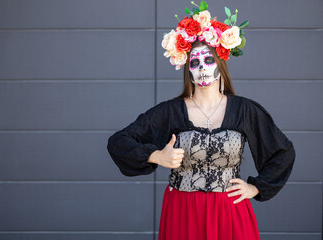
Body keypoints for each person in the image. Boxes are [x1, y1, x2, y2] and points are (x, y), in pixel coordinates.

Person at [107, 1, 296, 239]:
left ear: (221, 63)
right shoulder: (171, 111)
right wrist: (156, 155)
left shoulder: (244, 110)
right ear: (187, 68)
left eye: (209, 61)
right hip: (183, 213)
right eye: (195, 63)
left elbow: (283, 152)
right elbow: (118, 142)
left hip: (230, 212)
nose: (202, 68)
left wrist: (255, 187)